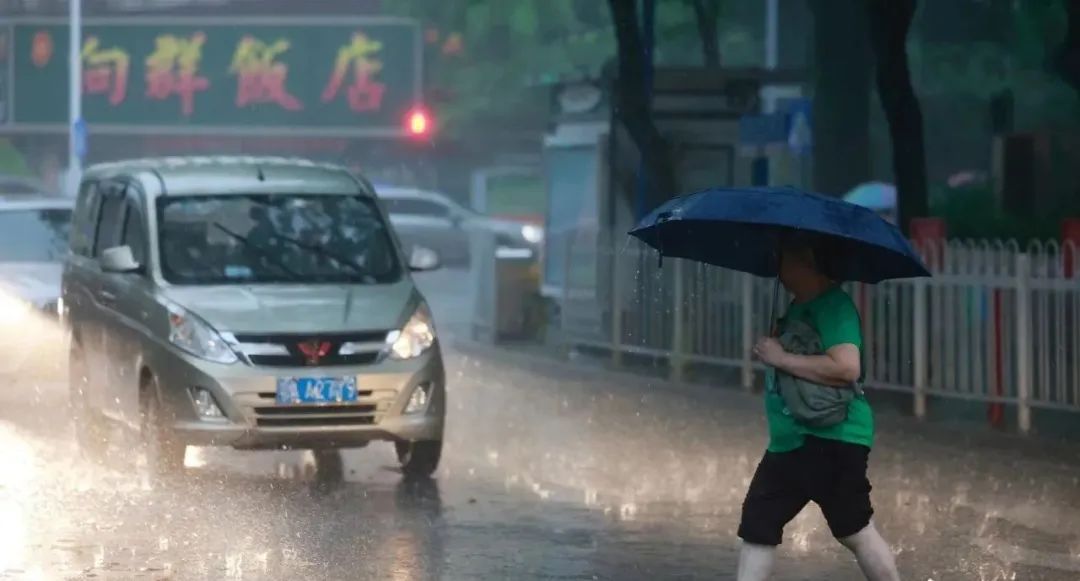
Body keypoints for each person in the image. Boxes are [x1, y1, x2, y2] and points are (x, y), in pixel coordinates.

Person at [736, 232, 900, 581]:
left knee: (853, 528)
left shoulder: (833, 306)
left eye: (781, 257)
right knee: (759, 521)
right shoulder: (798, 307)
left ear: (804, 261)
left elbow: (846, 368)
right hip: (793, 441)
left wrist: (782, 357)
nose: (775, 266)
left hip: (830, 440)